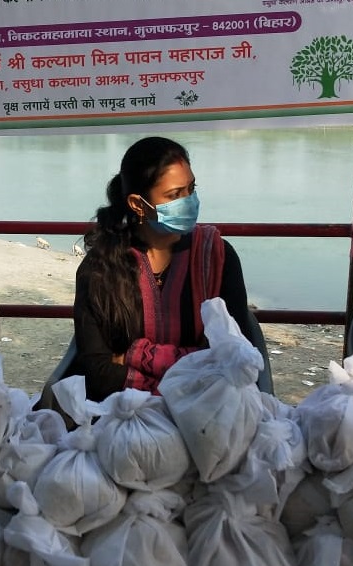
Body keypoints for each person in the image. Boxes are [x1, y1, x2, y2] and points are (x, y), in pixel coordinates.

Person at [72, 136, 258, 402]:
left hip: (205, 413)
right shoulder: (101, 268)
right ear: (138, 204)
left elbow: (236, 356)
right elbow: (97, 372)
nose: (189, 201)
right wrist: (189, 371)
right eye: (174, 195)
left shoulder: (217, 257)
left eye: (191, 189)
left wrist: (134, 355)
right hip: (124, 415)